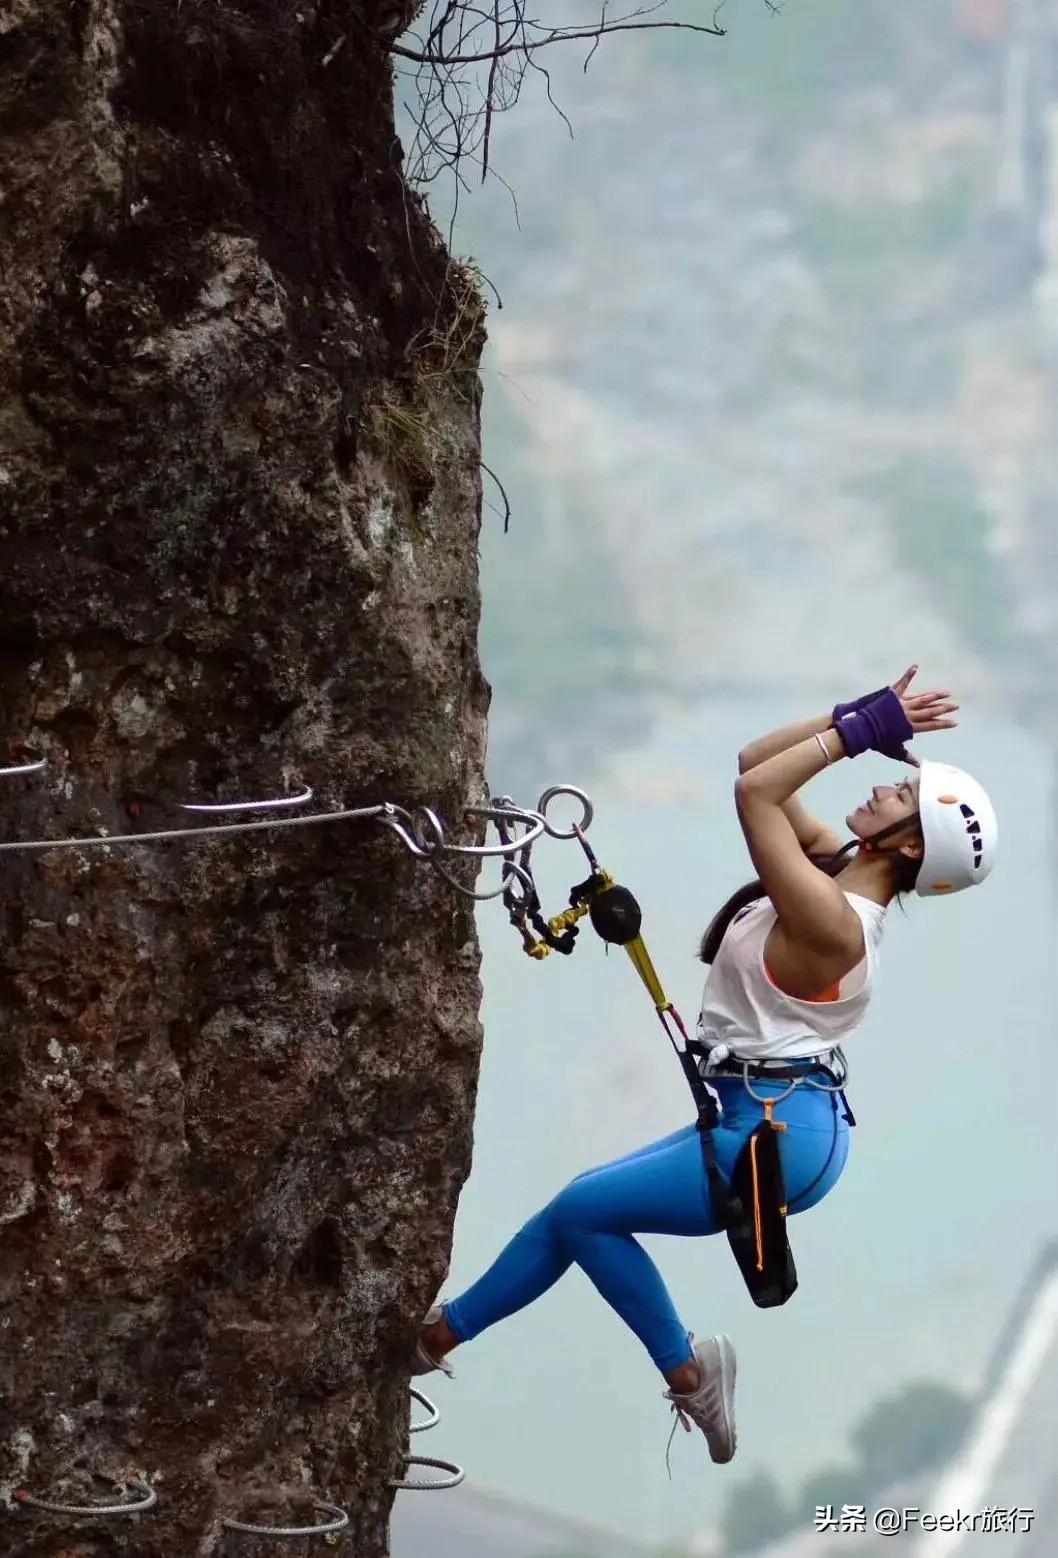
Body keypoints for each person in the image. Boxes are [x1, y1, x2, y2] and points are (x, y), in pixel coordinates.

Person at [411, 666, 998, 1464]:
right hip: (766, 1114)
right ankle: (433, 1339)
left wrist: (855, 735)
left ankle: (689, 1374)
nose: (883, 787)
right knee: (573, 1213)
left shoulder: (834, 921)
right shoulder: (831, 865)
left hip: (773, 1132)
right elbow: (753, 763)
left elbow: (755, 799)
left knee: (585, 1211)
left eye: (900, 795)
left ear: (908, 843)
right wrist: (850, 714)